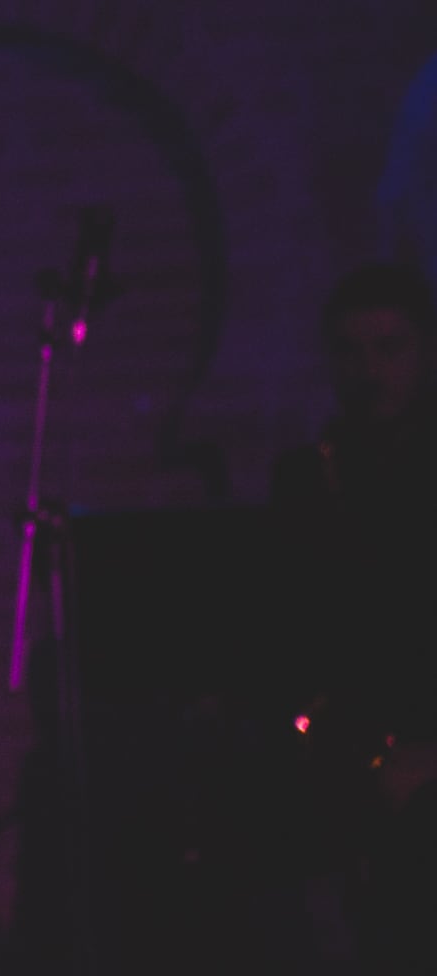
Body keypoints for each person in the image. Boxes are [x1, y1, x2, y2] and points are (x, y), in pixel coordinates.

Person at [267, 259, 437, 967]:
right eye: (351, 352)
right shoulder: (312, 475)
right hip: (353, 745)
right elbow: (292, 629)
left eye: (388, 349)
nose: (368, 371)